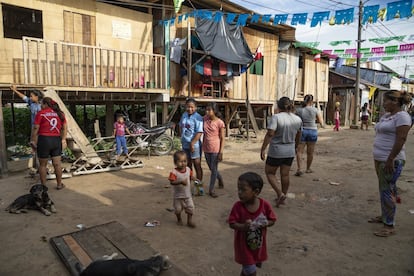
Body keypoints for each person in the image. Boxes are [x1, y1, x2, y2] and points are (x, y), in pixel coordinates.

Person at [369, 91, 412, 237]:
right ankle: (384, 216)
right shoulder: (387, 116)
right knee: (384, 189)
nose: (383, 104)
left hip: (391, 160)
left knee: (388, 191)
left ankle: (389, 226)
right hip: (380, 159)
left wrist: (390, 159)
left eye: (386, 101)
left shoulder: (403, 117)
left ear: (394, 101)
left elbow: (401, 139)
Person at [228, 172, 277, 276]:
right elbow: (232, 223)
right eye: (238, 189)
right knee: (251, 271)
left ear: (256, 191)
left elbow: (272, 220)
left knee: (248, 270)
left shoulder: (265, 205)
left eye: (243, 190)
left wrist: (266, 223)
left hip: (258, 246)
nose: (239, 193)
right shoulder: (238, 207)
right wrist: (243, 227)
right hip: (244, 248)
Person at [260, 97, 302, 207]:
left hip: (276, 150)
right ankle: (283, 195)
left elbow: (270, 134)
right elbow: (299, 134)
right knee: (285, 175)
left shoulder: (276, 118)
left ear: (278, 106)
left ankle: (280, 193)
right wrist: (296, 146)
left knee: (270, 172)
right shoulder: (297, 119)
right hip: (290, 150)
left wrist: (263, 148)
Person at [31, 97, 67, 190]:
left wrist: (33, 141)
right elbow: (64, 128)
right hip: (56, 140)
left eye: (42, 104)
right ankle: (59, 184)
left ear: (46, 104)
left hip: (44, 140)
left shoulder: (41, 114)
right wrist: (63, 139)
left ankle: (44, 187)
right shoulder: (60, 114)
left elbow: (35, 128)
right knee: (57, 164)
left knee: (43, 165)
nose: (41, 106)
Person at [295, 94, 324, 176]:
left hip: (302, 131)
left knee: (299, 151)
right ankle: (308, 169)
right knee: (310, 152)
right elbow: (321, 123)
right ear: (312, 101)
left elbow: (295, 120)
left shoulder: (299, 110)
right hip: (312, 131)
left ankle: (299, 169)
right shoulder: (315, 110)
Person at [168, 150, 196, 228]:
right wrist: (180, 182)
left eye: (185, 161)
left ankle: (189, 221)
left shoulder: (188, 169)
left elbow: (190, 176)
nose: (183, 163)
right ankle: (179, 219)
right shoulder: (174, 172)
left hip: (187, 195)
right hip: (177, 196)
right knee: (178, 209)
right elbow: (172, 182)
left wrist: (195, 179)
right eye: (180, 161)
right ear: (175, 162)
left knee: (190, 208)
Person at [203, 102, 225, 198]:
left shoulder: (220, 122)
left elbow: (223, 138)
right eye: (206, 110)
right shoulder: (204, 119)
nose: (207, 112)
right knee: (212, 168)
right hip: (206, 148)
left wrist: (221, 152)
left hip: (215, 148)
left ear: (214, 111)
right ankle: (219, 178)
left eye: (209, 110)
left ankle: (211, 189)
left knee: (214, 169)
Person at [179, 98, 203, 182]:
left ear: (195, 107)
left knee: (197, 164)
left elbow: (199, 132)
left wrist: (192, 143)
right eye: (188, 107)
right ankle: (189, 182)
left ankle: (198, 184)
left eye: (192, 107)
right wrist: (181, 137)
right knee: (187, 165)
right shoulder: (184, 115)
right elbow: (181, 126)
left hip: (194, 145)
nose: (190, 109)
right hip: (185, 144)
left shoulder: (198, 117)